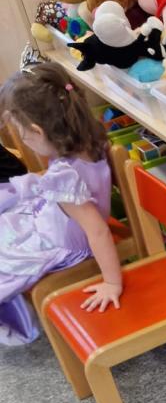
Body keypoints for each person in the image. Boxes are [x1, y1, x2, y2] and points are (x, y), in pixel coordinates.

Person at [0, 63, 123, 346]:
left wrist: (112, 282)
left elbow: (98, 232)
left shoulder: (66, 178)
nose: (26, 142)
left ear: (38, 131)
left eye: (23, 135)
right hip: (57, 224)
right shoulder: (89, 141)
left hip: (65, 245)